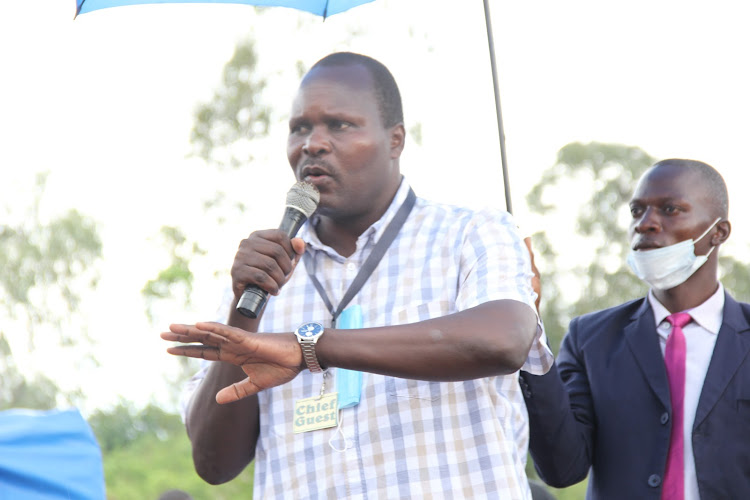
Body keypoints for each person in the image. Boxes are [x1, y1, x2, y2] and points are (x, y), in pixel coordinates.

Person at [161, 51, 553, 499]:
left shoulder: (470, 233)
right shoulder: (265, 276)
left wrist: (309, 348)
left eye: (339, 125)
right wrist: (244, 314)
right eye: (299, 128)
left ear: (395, 140)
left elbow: (503, 340)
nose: (312, 143)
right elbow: (213, 464)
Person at [520, 159, 750, 500]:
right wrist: (528, 325)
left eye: (670, 209)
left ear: (718, 232)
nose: (645, 224)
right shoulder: (591, 338)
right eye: (636, 212)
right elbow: (562, 468)